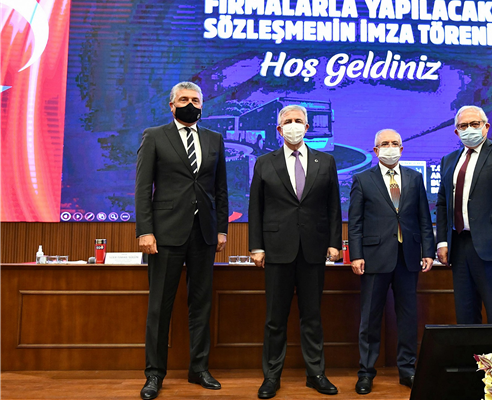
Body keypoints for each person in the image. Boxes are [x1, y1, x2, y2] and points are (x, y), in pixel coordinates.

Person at [135, 81, 228, 399]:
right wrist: (145, 230)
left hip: (204, 233)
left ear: (202, 105)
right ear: (172, 105)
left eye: (196, 100)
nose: (191, 104)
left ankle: (199, 369)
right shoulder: (154, 136)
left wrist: (222, 229)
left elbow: (220, 189)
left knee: (201, 304)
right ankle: (154, 374)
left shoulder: (214, 139)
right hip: (165, 235)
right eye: (184, 99)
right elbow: (142, 188)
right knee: (160, 306)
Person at [248, 105, 343, 399]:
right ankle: (271, 377)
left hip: (314, 249)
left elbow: (333, 206)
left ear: (307, 126)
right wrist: (256, 246)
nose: (293, 125)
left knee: (312, 316)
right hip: (276, 250)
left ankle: (316, 374)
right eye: (287, 121)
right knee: (275, 318)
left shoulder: (325, 161)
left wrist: (335, 242)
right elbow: (256, 208)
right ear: (279, 130)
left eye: (298, 121)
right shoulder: (264, 162)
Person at [348, 129, 435, 394]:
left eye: (394, 143)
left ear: (402, 148)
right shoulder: (362, 179)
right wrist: (356, 254)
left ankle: (407, 370)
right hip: (374, 258)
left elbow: (423, 218)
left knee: (408, 317)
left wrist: (428, 251)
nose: (390, 147)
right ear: (375, 151)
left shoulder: (415, 178)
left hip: (408, 257)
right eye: (384, 144)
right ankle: (366, 372)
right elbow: (355, 222)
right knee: (370, 317)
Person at [435, 105, 492, 324]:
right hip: (459, 246)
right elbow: (442, 203)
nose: (469, 129)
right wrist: (442, 242)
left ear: (486, 127)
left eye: (474, 124)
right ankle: (470, 349)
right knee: (465, 314)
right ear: (457, 132)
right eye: (463, 126)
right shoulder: (449, 160)